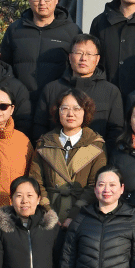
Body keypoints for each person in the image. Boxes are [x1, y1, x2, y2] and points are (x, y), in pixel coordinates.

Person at [28, 90, 110, 220]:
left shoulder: (96, 144)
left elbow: (95, 184)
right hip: (48, 215)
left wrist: (74, 215)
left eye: (77, 109)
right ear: (58, 111)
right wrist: (48, 211)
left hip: (83, 215)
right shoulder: (44, 143)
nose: (70, 114)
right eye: (65, 108)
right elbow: (36, 181)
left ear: (85, 112)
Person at [3, 0, 84, 103]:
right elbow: (4, 66)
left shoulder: (72, 31)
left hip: (58, 102)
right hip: (21, 101)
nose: (42, 2)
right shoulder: (15, 30)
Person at [37, 36, 124, 140]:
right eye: (79, 53)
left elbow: (116, 129)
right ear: (70, 57)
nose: (83, 58)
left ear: (97, 59)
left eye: (89, 54)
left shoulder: (111, 91)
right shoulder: (51, 89)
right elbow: (39, 126)